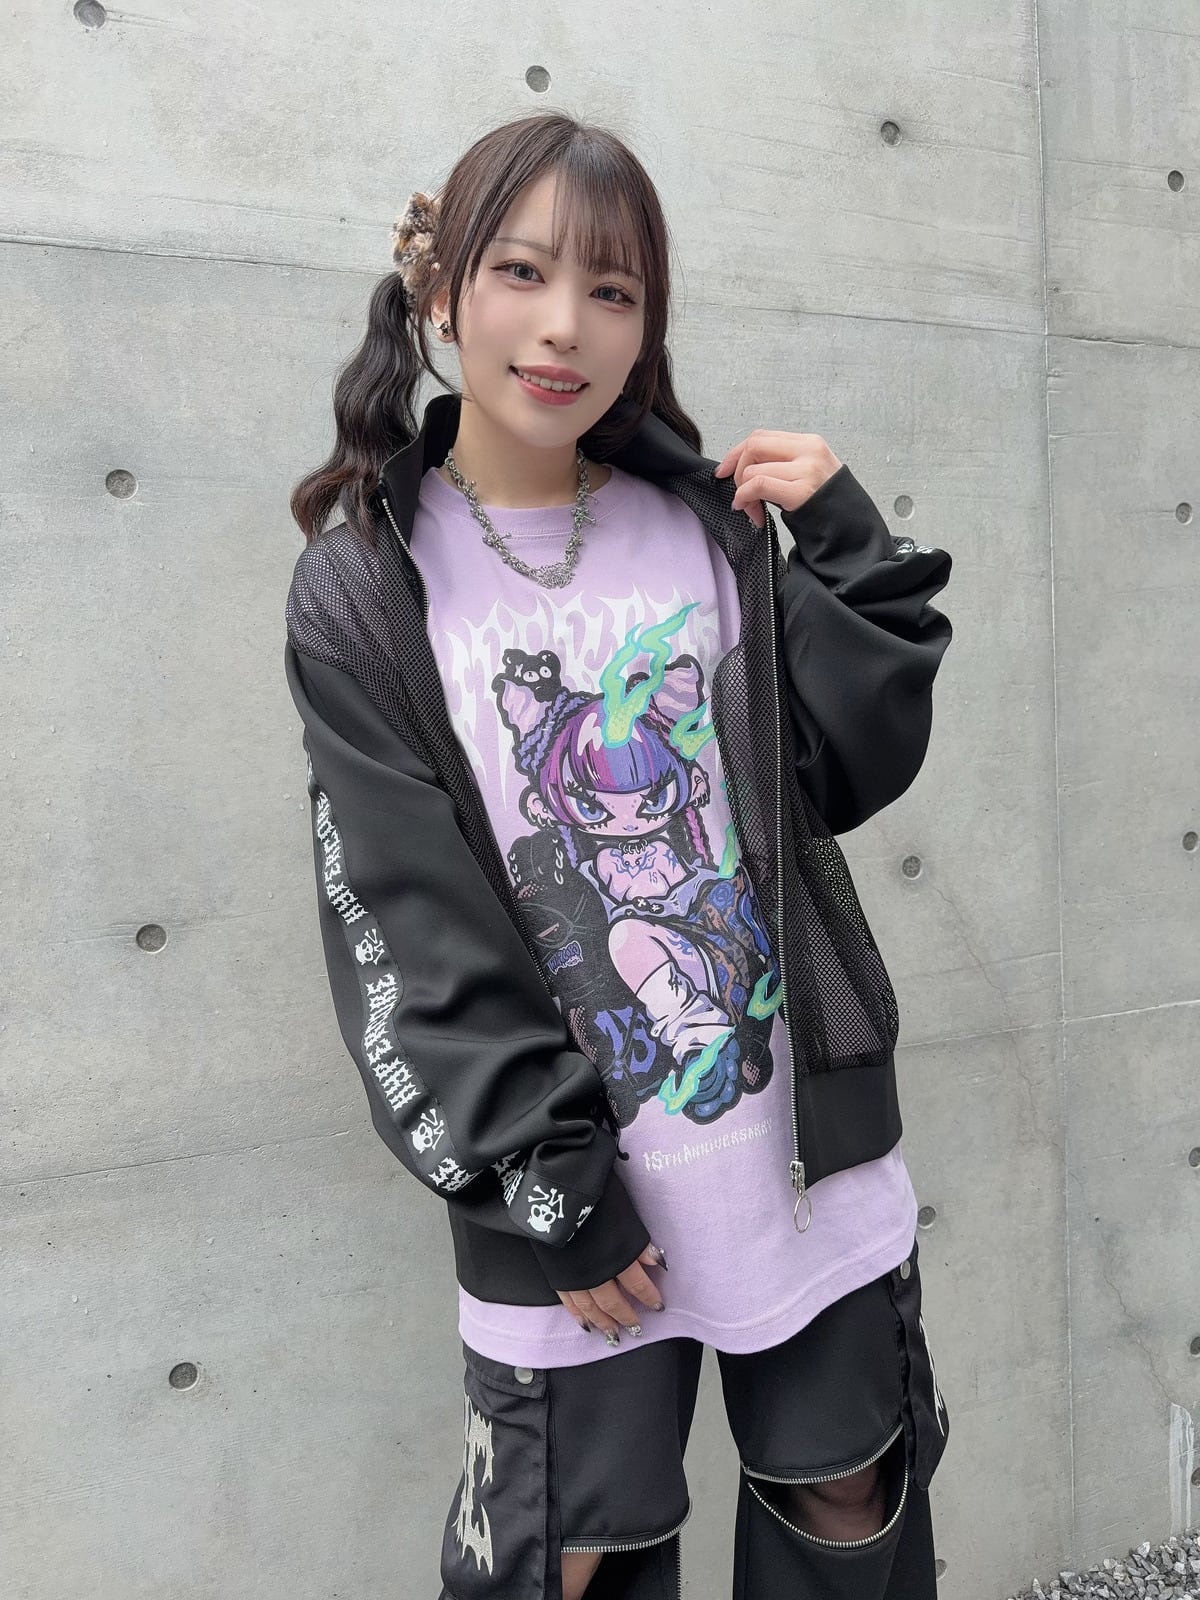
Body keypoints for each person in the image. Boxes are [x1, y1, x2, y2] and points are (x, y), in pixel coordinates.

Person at [283, 109, 954, 1600]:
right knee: (568, 1553)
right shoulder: (367, 587)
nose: (564, 327)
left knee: (847, 1496)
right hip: (573, 1195)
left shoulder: (705, 531)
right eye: (522, 272)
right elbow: (405, 923)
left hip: (794, 1156)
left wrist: (848, 549)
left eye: (613, 289)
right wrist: (553, 1188)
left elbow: (840, 772)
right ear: (440, 289)